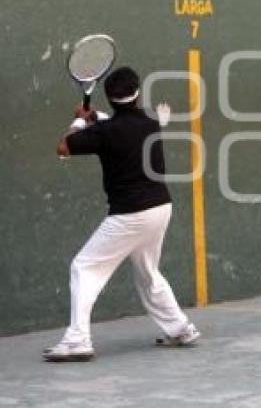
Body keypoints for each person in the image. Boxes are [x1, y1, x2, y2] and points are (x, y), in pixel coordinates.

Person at [43, 66, 200, 361]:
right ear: (138, 94)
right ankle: (180, 328)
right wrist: (94, 118)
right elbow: (122, 123)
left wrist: (79, 120)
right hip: (160, 208)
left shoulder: (104, 132)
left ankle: (77, 340)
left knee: (84, 267)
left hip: (130, 215)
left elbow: (63, 147)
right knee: (148, 273)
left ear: (110, 97)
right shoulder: (151, 120)